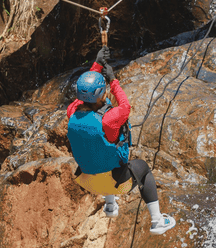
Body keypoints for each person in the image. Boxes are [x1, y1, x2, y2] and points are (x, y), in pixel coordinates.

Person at [67, 47, 176, 235]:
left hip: (86, 180)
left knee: (99, 154)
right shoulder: (109, 119)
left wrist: (97, 64)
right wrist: (113, 80)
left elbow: (84, 93)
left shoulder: (72, 112)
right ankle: (158, 221)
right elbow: (125, 106)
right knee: (143, 169)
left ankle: (110, 207)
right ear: (102, 94)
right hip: (115, 182)